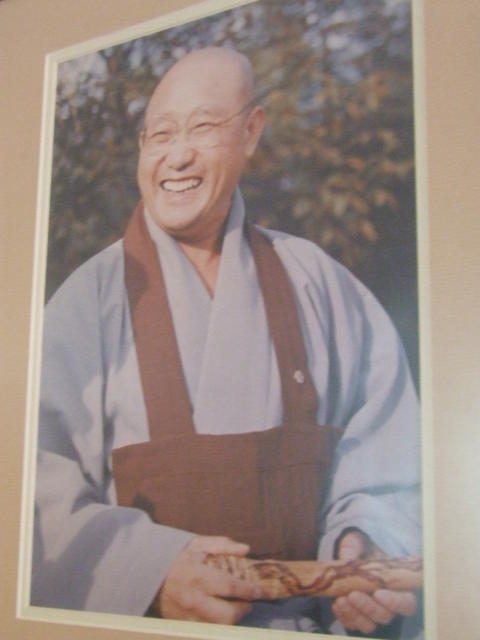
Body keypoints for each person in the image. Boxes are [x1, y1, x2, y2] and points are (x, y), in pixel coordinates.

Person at [32, 47, 422, 637]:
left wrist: (363, 541)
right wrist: (148, 572)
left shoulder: (318, 281)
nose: (177, 155)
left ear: (251, 132)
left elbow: (387, 454)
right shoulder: (85, 303)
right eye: (161, 134)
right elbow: (30, 494)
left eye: (204, 127)